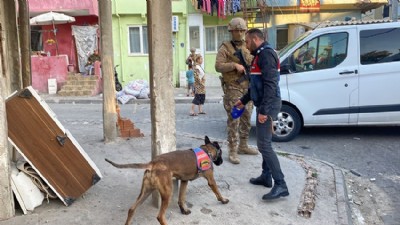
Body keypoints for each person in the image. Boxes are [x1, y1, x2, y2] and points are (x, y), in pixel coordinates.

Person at [235, 28, 289, 200]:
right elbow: (256, 85)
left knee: (264, 145)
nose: (246, 44)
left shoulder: (266, 55)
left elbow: (271, 85)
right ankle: (266, 176)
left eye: (247, 41)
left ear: (256, 39)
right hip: (265, 103)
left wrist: (264, 111)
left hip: (270, 104)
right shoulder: (259, 55)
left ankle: (281, 184)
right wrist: (243, 100)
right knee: (265, 143)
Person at [215, 17, 258, 164]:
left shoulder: (249, 46)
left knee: (247, 117)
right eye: (236, 31)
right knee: (234, 120)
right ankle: (232, 150)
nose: (239, 33)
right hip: (233, 88)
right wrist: (234, 65)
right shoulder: (225, 47)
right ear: (231, 31)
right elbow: (218, 66)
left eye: (242, 30)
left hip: (248, 88)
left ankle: (243, 145)